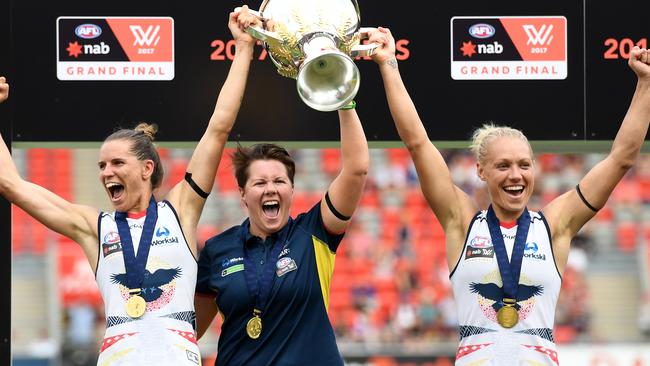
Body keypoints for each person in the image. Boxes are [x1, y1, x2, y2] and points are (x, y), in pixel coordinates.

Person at [369, 26, 650, 365]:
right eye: (503, 166)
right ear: (481, 171)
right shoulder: (462, 222)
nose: (516, 175)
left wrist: (646, 84)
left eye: (524, 165)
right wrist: (389, 64)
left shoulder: (554, 226)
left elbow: (621, 158)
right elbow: (417, 142)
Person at [0, 8, 256, 365]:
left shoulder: (180, 209)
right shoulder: (94, 226)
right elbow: (11, 184)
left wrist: (243, 47)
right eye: (102, 165)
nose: (106, 173)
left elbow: (219, 127)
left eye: (117, 163)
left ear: (147, 168)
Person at [193, 19, 369, 366]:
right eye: (259, 183)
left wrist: (343, 96)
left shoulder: (315, 232)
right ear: (242, 194)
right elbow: (192, 329)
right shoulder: (218, 249)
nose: (270, 189)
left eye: (279, 182)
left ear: (291, 189)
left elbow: (356, 169)